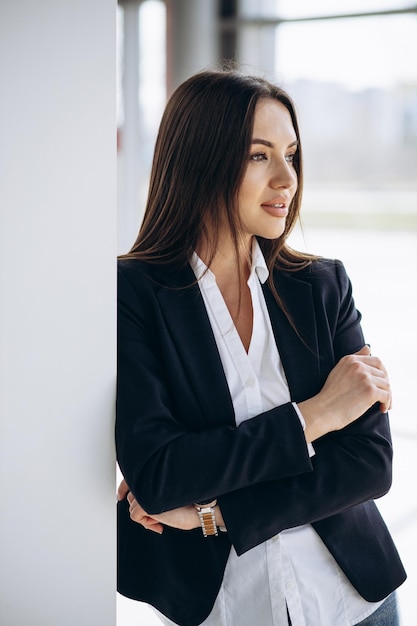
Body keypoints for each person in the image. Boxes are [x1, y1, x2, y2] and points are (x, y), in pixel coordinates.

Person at [116, 69, 406, 626]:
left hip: (355, 601)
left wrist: (216, 512)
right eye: (259, 156)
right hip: (227, 605)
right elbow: (160, 475)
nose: (287, 180)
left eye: (292, 155)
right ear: (201, 160)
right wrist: (317, 416)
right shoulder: (135, 295)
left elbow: (368, 465)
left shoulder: (322, 285)